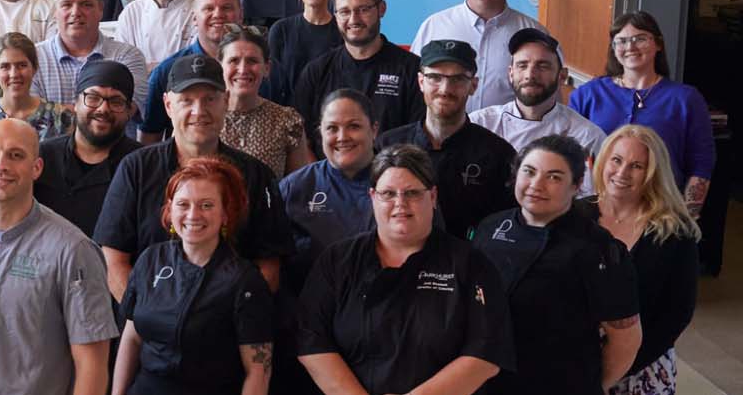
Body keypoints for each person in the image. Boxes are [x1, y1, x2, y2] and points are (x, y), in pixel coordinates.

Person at [294, 144, 514, 395]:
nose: (400, 203)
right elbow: (311, 339)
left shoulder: (471, 264)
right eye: (388, 193)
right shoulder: (337, 260)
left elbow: (486, 352)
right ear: (372, 197)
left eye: (412, 193)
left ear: (433, 197)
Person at [0, 118, 118, 395]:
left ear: (37, 168)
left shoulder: (72, 250)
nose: (1, 165)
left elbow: (92, 365)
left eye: (16, 155)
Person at [98, 52, 293, 301]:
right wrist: (144, 316)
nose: (198, 111)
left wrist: (237, 317)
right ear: (168, 105)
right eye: (186, 101)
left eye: (210, 99)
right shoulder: (136, 168)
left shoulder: (256, 175)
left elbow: (269, 267)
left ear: (226, 101)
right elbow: (113, 260)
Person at [471, 135, 642, 395]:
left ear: (576, 185)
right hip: (487, 381)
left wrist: (591, 388)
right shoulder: (490, 227)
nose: (536, 185)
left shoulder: (598, 249)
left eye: (554, 177)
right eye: (529, 172)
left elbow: (626, 340)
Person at [111, 158, 276, 395]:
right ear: (170, 210)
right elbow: (132, 339)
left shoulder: (245, 281)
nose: (193, 215)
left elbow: (258, 371)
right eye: (183, 204)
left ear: (226, 213)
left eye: (206, 205)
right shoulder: (150, 259)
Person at [569, 11, 715, 216]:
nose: (630, 47)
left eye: (640, 39)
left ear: (658, 44)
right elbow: (570, 156)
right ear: (613, 48)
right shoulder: (587, 95)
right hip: (597, 211)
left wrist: (686, 218)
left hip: (662, 212)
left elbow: (701, 162)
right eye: (621, 41)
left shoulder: (686, 99)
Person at [593, 125, 702, 395]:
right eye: (616, 160)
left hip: (641, 365)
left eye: (636, 166)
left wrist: (618, 367)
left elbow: (677, 313)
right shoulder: (575, 214)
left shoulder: (675, 233)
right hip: (575, 359)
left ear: (653, 173)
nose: (622, 173)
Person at [375, 40, 518, 237]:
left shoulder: (498, 154)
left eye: (457, 79)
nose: (445, 89)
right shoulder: (387, 145)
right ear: (421, 82)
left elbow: (505, 227)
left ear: (473, 85)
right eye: (435, 77)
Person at [289, 0, 424, 156]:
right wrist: (321, 172)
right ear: (335, 15)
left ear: (381, 9)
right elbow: (301, 140)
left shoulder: (412, 70)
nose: (354, 19)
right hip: (327, 171)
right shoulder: (317, 71)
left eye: (363, 10)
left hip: (391, 172)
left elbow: (418, 139)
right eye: (344, 11)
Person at [413, 0, 546, 112]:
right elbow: (413, 86)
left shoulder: (533, 34)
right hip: (445, 127)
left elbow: (547, 97)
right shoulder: (435, 26)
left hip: (507, 128)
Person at [278, 89, 379, 291]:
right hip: (306, 302)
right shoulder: (294, 187)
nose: (342, 137)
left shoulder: (398, 185)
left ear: (374, 130)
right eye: (332, 128)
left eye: (354, 126)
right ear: (320, 133)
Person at [35, 60, 141, 234]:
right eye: (93, 98)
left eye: (116, 102)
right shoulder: (43, 156)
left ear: (129, 111)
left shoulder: (143, 165)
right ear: (75, 103)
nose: (103, 109)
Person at [468, 28, 606, 158]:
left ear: (562, 76)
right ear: (511, 73)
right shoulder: (480, 124)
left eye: (543, 66)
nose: (530, 75)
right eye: (522, 66)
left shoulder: (587, 137)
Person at [139, 0, 242, 142]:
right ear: (194, 17)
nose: (218, 14)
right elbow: (149, 139)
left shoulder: (256, 71)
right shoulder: (166, 72)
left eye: (226, 8)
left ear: (241, 15)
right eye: (208, 8)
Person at [32, 0, 148, 110]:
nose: (76, 12)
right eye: (67, 5)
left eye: (86, 5)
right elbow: (30, 112)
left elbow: (125, 110)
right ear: (55, 11)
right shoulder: (33, 58)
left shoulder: (128, 57)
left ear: (101, 10)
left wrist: (51, 110)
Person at [218, 27, 313, 176]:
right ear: (220, 67)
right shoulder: (205, 117)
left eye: (252, 61)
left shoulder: (286, 121)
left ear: (267, 68)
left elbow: (298, 185)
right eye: (234, 61)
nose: (243, 69)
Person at [0, 32, 79, 139]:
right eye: (5, 67)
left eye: (22, 65)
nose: (14, 74)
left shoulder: (60, 118)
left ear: (34, 68)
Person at [263, 0, 338, 106]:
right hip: (287, 112)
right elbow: (271, 80)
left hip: (330, 112)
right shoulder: (281, 30)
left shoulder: (342, 31)